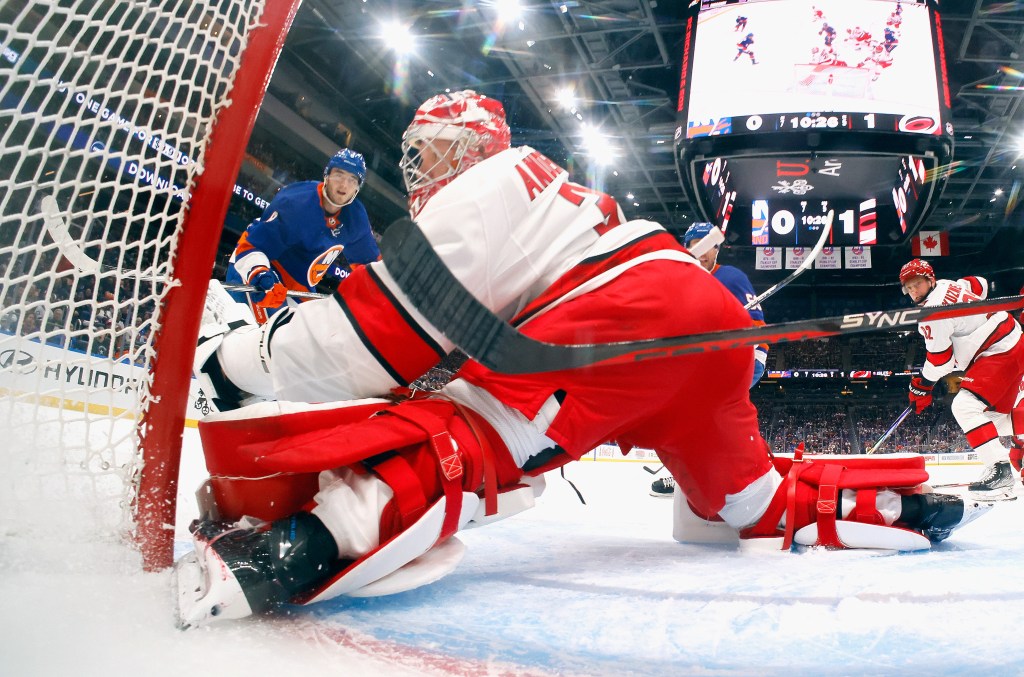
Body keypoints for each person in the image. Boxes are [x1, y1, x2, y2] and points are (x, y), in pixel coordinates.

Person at [174, 91, 993, 629]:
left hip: (629, 318)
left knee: (474, 434)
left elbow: (379, 334)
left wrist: (240, 359)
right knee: (753, 506)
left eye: (428, 150)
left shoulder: (488, 184)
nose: (418, 169)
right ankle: (900, 510)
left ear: (467, 147)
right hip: (698, 326)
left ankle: (292, 552)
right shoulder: (542, 189)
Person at [650, 221, 770, 497]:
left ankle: (740, 477)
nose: (701, 252)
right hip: (698, 366)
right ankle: (708, 476)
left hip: (733, 362)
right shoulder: (680, 282)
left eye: (708, 246)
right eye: (694, 245)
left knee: (701, 417)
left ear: (717, 249)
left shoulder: (730, 277)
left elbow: (757, 327)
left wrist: (753, 362)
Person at [900, 258, 1024, 496]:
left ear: (930, 279)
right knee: (993, 421)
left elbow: (941, 362)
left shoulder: (931, 314)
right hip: (1013, 339)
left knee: (965, 406)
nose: (913, 291)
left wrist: (921, 385)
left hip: (999, 351)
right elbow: (980, 284)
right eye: (908, 287)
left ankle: (1000, 472)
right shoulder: (949, 284)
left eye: (917, 284)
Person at [225, 149, 381, 323]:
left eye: (352, 180)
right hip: (260, 268)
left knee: (310, 343)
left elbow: (370, 267)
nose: (344, 185)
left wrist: (384, 296)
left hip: (301, 288)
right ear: (327, 175)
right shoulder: (295, 202)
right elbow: (252, 246)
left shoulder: (356, 217)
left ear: (357, 188)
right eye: (339, 175)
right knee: (260, 342)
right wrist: (261, 276)